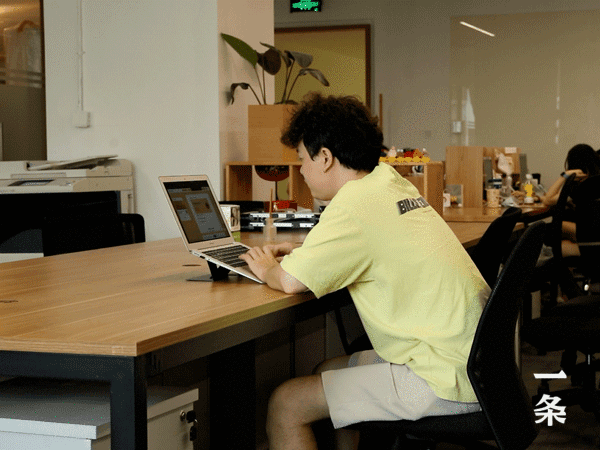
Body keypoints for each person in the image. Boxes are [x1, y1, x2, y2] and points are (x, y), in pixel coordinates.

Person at [240, 93, 490, 450]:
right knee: (326, 371)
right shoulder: (388, 182)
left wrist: (266, 267)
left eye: (302, 159)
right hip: (472, 359)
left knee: (286, 404)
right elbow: (373, 241)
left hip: (441, 377)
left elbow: (291, 281)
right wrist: (309, 251)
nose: (302, 171)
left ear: (325, 157)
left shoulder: (353, 205)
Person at [540, 143, 600, 257]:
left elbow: (548, 200)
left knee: (548, 228)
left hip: (592, 237)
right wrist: (539, 197)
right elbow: (555, 198)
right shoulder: (595, 181)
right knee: (560, 242)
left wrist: (565, 175)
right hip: (593, 235)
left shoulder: (586, 185)